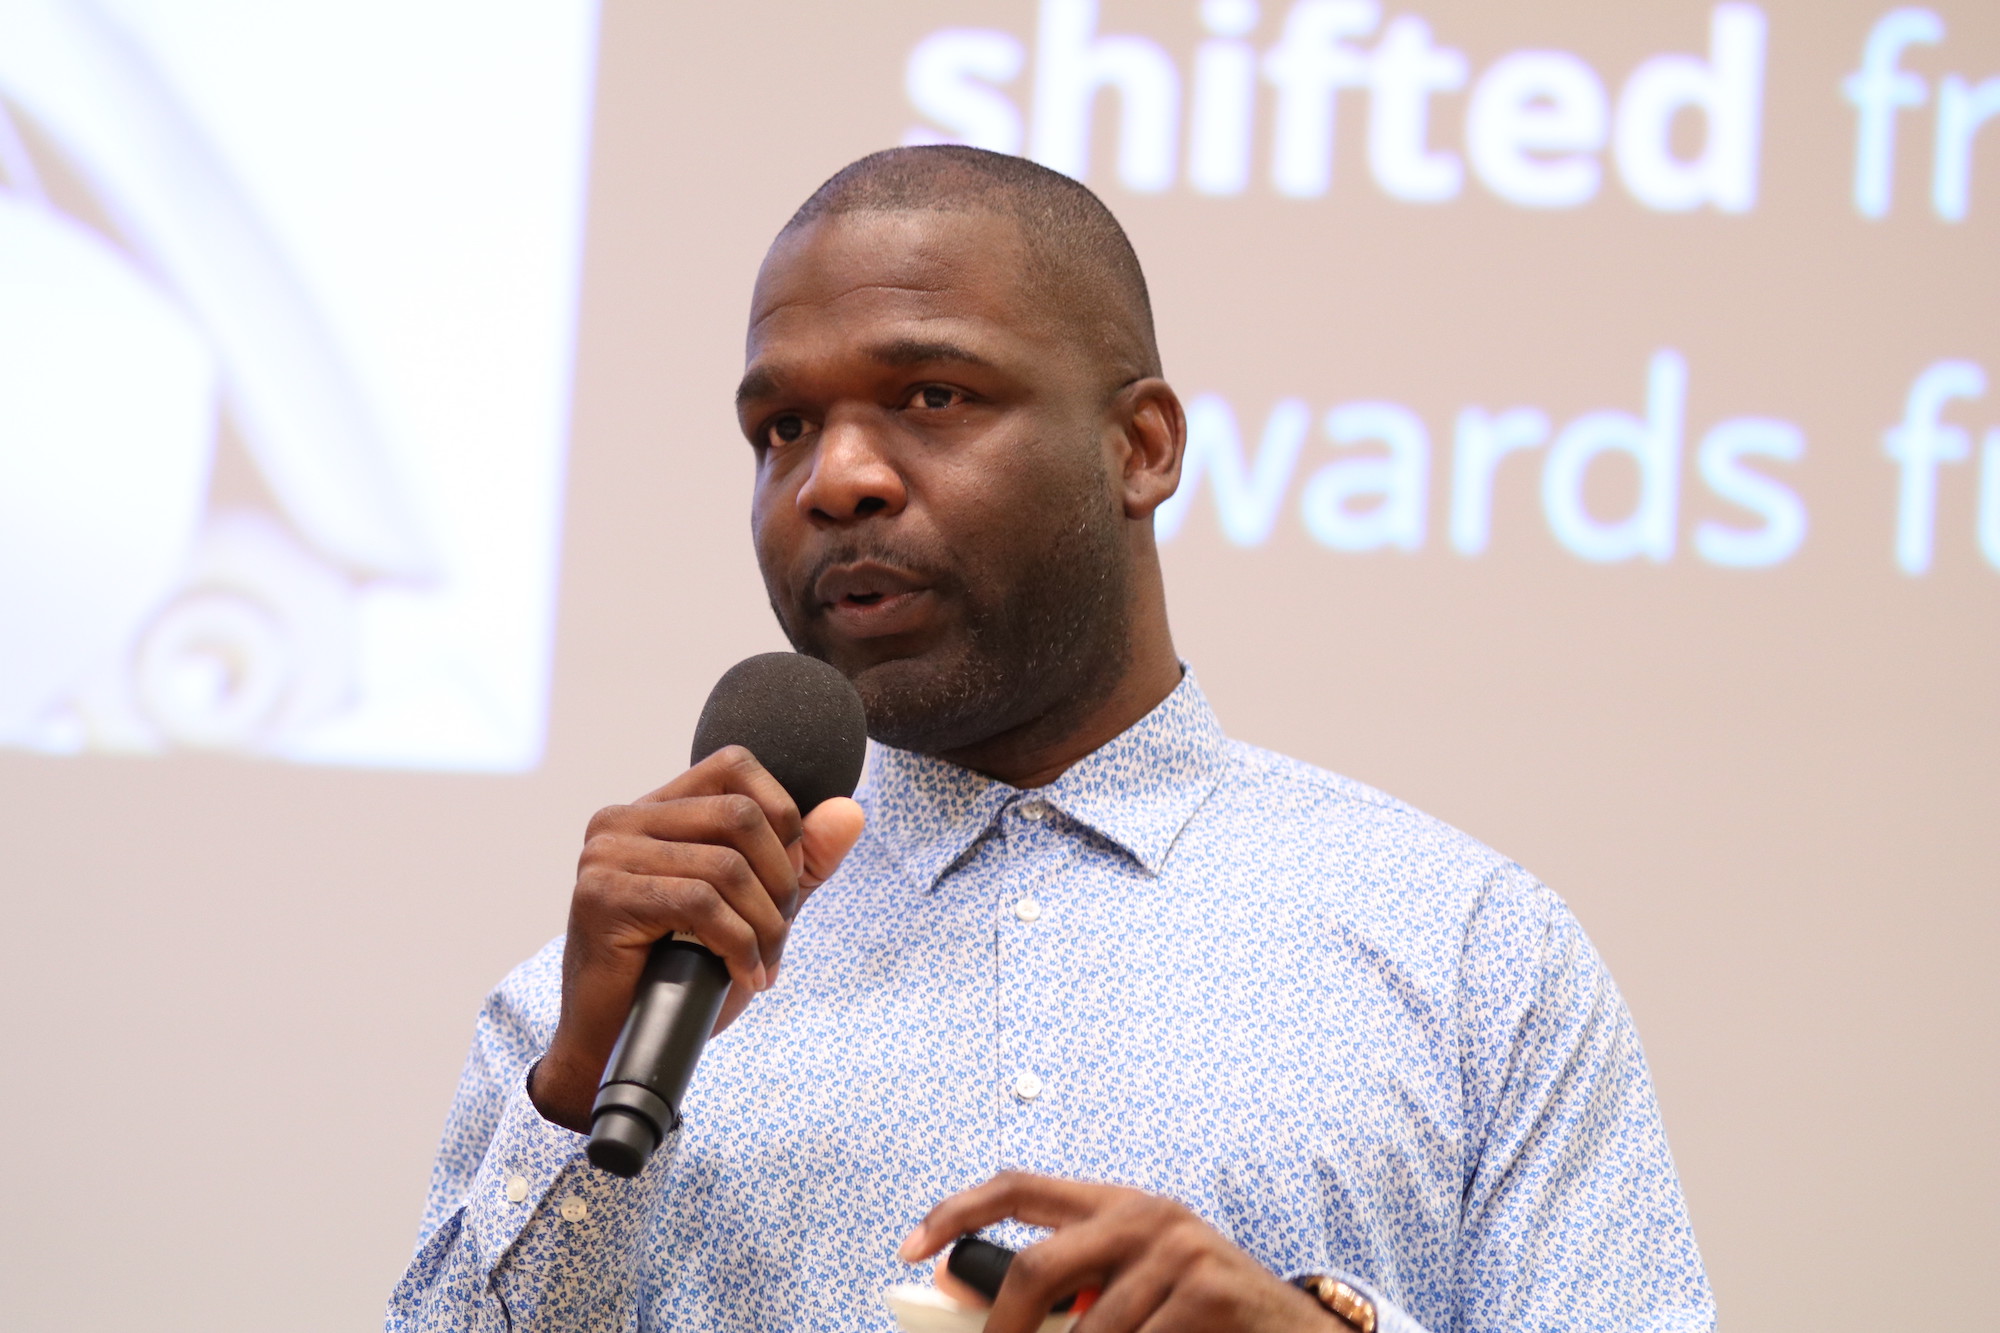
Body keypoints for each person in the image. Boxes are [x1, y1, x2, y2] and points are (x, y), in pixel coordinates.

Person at [389, 146, 1714, 1333]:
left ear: (1141, 447)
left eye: (933, 396)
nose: (834, 476)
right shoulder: (614, 1002)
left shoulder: (1476, 956)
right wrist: (575, 1092)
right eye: (780, 427)